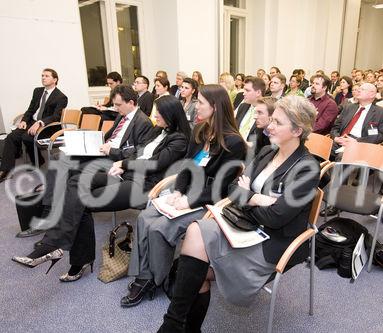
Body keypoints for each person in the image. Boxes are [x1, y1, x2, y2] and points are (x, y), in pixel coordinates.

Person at [156, 95, 320, 332]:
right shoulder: (267, 154)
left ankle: (173, 326)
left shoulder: (307, 168)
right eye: (271, 119)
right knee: (195, 231)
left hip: (271, 241)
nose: (269, 126)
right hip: (244, 225)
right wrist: (256, 199)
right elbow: (233, 188)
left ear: (297, 131)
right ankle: (173, 324)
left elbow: (276, 218)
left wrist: (247, 196)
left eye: (278, 122)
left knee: (195, 268)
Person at [11, 95, 190, 281]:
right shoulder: (157, 131)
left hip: (145, 186)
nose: (155, 115)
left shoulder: (179, 139)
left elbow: (155, 164)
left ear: (171, 114)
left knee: (81, 201)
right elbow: (137, 152)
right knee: (76, 183)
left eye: (159, 112)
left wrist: (123, 163)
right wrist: (122, 162)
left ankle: (64, 252)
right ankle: (62, 248)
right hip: (127, 175)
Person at [122, 84, 247, 308]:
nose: (195, 106)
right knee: (144, 218)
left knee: (160, 228)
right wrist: (178, 190)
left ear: (216, 108)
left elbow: (221, 188)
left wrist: (188, 200)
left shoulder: (234, 143)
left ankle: (153, 279)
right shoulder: (200, 132)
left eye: (200, 102)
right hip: (186, 194)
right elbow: (185, 167)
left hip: (208, 202)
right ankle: (144, 275)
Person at [16, 85, 153, 238]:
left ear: (132, 102)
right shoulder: (123, 116)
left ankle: (51, 216)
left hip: (113, 161)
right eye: (115, 104)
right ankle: (52, 211)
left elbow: (137, 154)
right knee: (58, 159)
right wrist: (89, 141)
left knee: (68, 169)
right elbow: (108, 137)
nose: (115, 108)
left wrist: (111, 151)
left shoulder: (143, 122)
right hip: (101, 153)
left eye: (118, 105)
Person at [0, 68, 68, 182]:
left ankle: (38, 160)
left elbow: (56, 116)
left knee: (26, 137)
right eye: (42, 76)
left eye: (46, 76)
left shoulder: (61, 97)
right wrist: (24, 120)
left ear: (55, 79)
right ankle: (5, 170)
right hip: (31, 122)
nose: (43, 78)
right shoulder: (37, 91)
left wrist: (40, 122)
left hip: (47, 126)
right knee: (11, 137)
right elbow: (30, 110)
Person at [330, 83, 383, 160]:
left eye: (362, 89)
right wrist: (336, 137)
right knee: (317, 147)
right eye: (359, 89)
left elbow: (380, 136)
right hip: (341, 140)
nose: (358, 90)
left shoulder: (381, 112)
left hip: (360, 144)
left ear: (372, 95)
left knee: (343, 156)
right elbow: (335, 127)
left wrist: (356, 141)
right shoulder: (349, 107)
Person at [235, 77, 266, 143]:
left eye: (247, 90)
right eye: (244, 90)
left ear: (258, 92)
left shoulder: (266, 111)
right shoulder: (242, 106)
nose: (243, 93)